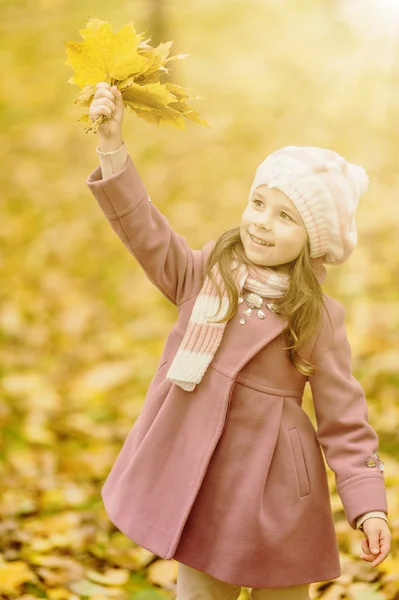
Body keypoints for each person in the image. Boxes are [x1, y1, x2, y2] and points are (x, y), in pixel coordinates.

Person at [85, 82, 391, 600]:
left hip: (275, 489)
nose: (262, 224)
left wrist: (369, 503)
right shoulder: (206, 273)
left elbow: (344, 417)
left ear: (313, 241)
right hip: (205, 474)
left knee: (281, 590)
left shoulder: (318, 316)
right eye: (259, 203)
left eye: (286, 216)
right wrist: (112, 146)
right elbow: (145, 232)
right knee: (201, 587)